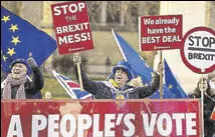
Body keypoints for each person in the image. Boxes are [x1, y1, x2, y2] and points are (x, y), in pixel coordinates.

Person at [73, 53, 161, 99]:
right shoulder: (102, 87)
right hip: (106, 127)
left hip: (126, 129)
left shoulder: (134, 91)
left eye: (123, 72)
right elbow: (85, 83)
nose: (119, 73)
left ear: (127, 78)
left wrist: (158, 74)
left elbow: (152, 88)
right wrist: (78, 66)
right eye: (117, 71)